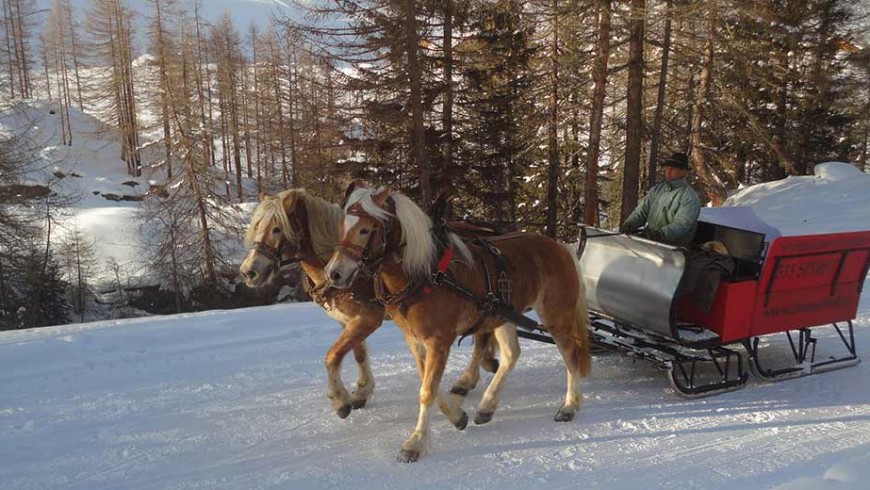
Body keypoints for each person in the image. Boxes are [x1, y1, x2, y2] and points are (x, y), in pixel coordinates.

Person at [620, 152, 701, 246]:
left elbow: (681, 226)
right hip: (650, 241)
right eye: (667, 168)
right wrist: (629, 225)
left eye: (673, 168)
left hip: (673, 249)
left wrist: (659, 235)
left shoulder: (690, 198)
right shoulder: (657, 189)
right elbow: (641, 211)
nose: (669, 171)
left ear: (685, 172)